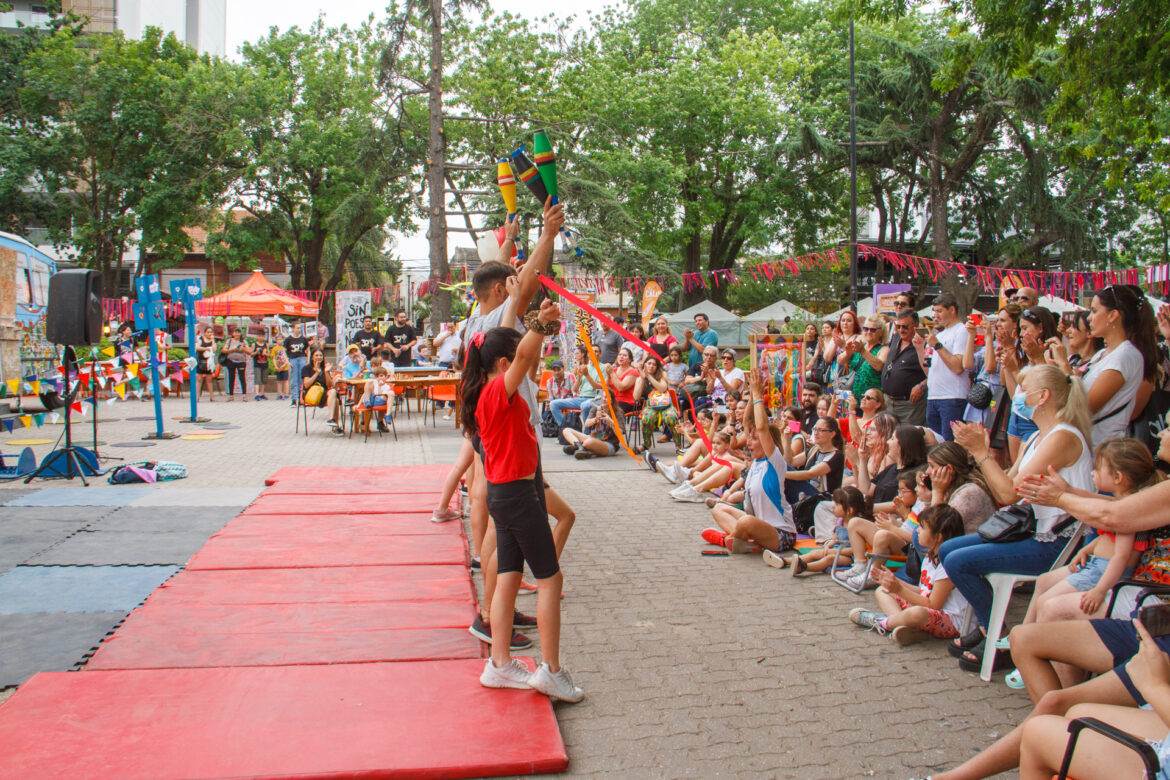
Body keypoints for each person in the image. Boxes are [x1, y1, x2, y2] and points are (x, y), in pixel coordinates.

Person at [460, 301, 584, 703]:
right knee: (550, 579)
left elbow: (528, 354)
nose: (525, 369)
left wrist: (537, 330)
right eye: (515, 363)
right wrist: (540, 323)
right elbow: (528, 353)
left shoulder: (487, 392)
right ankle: (551, 670)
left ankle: (499, 664)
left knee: (509, 578)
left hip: (507, 494)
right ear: (501, 364)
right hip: (516, 495)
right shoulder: (496, 390)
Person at [945, 364, 1095, 672]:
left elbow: (1010, 493)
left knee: (959, 561)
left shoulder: (1063, 437)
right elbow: (1003, 491)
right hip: (1034, 532)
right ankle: (991, 627)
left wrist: (981, 453)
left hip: (1060, 543)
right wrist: (980, 452)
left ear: (1043, 396)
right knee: (948, 550)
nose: (1018, 396)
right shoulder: (1039, 437)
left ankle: (997, 635)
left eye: (1024, 389)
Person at [700, 368, 796, 555]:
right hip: (757, 526)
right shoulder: (755, 465)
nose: (748, 443)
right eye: (749, 438)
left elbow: (761, 427)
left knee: (745, 522)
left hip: (780, 533)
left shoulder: (774, 461)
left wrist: (759, 395)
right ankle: (745, 543)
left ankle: (726, 540)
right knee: (719, 508)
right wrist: (752, 394)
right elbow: (747, 423)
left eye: (754, 439)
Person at [848, 504, 969, 645]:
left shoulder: (947, 564)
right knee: (882, 591)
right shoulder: (930, 557)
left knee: (917, 613)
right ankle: (902, 626)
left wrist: (899, 589)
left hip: (950, 620)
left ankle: (881, 622)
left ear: (938, 537)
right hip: (930, 612)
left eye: (922, 527)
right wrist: (894, 583)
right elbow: (924, 591)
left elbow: (933, 605)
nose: (917, 530)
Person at [1054, 284, 1158, 446]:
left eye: (1094, 311)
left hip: (1103, 449)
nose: (1089, 318)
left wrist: (1065, 368)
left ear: (1113, 315)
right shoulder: (1104, 354)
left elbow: (1084, 408)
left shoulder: (1124, 356)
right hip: (1091, 444)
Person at [784, 486, 867, 575]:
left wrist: (836, 551)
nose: (833, 507)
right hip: (837, 550)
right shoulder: (841, 521)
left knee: (829, 559)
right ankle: (787, 561)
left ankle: (804, 566)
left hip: (851, 557)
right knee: (815, 553)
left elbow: (858, 549)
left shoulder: (857, 526)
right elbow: (836, 537)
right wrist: (829, 544)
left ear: (849, 510)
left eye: (837, 505)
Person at [924, 293, 971, 441]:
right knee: (935, 443)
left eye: (940, 311)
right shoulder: (941, 334)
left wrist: (937, 345)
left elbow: (958, 366)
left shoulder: (961, 330)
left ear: (952, 310)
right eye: (934, 311)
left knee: (949, 446)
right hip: (934, 396)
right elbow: (928, 368)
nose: (935, 315)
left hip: (952, 397)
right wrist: (921, 349)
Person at [881, 309, 928, 426]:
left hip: (910, 405)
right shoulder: (896, 337)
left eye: (905, 327)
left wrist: (923, 385)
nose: (901, 330)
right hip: (889, 402)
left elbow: (937, 372)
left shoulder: (924, 343)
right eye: (898, 326)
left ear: (916, 325)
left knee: (908, 439)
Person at [549, 345, 603, 426]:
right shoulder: (584, 367)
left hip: (595, 398)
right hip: (581, 398)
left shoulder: (603, 367)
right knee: (553, 404)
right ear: (588, 354)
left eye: (596, 351)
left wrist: (587, 375)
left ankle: (586, 434)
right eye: (591, 351)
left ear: (600, 354)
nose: (593, 353)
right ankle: (566, 427)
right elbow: (574, 389)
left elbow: (599, 387)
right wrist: (579, 378)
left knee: (584, 405)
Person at [637, 355, 680, 449]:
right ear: (644, 365)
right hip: (651, 406)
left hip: (666, 405)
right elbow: (636, 397)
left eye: (654, 364)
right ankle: (646, 444)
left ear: (657, 367)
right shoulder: (639, 378)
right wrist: (642, 379)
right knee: (647, 418)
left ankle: (678, 444)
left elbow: (662, 388)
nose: (651, 366)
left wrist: (649, 377)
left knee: (671, 417)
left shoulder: (662, 375)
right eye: (649, 363)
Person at [843, 315, 889, 399]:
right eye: (866, 329)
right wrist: (847, 352)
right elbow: (840, 361)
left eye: (873, 330)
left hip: (871, 400)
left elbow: (879, 366)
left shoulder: (884, 349)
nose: (869, 332)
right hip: (851, 398)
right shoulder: (858, 344)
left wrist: (863, 351)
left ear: (881, 332)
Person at [301, 347, 343, 435]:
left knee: (334, 394)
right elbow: (306, 384)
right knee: (334, 397)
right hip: (311, 394)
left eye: (320, 355)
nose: (319, 357)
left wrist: (326, 372)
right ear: (312, 357)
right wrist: (316, 373)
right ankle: (335, 425)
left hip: (323, 394)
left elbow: (329, 384)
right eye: (316, 355)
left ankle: (332, 420)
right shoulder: (307, 368)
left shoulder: (325, 367)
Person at [605, 347, 640, 415]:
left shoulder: (633, 372)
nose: (621, 357)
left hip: (627, 402)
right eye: (620, 354)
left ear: (630, 360)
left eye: (624, 355)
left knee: (612, 409)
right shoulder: (614, 370)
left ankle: (614, 425)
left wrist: (611, 373)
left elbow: (621, 388)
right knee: (594, 408)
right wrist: (608, 375)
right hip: (613, 400)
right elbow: (605, 387)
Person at [222, 326, 252, 402]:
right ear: (233, 333)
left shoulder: (243, 342)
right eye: (235, 332)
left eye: (238, 332)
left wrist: (243, 348)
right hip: (231, 361)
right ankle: (231, 395)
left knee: (242, 378)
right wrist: (233, 349)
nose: (237, 334)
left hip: (241, 361)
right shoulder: (229, 341)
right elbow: (224, 350)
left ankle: (244, 395)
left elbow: (249, 352)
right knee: (231, 377)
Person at [284, 323, 311, 407]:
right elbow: (284, 351)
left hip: (302, 358)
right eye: (297, 328)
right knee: (293, 380)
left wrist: (307, 360)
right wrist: (287, 361)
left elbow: (308, 349)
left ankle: (301, 399)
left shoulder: (303, 339)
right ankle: (294, 399)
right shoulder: (288, 339)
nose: (299, 330)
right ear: (293, 329)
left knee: (301, 380)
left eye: (300, 328)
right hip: (293, 359)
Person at [194, 324, 217, 402]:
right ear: (204, 333)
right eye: (208, 332)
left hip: (208, 363)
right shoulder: (201, 339)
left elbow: (214, 349)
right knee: (199, 379)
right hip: (200, 361)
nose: (209, 334)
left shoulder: (213, 340)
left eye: (211, 332)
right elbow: (197, 347)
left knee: (209, 380)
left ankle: (212, 397)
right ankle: (196, 397)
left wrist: (213, 340)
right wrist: (206, 348)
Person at [252, 330, 270, 400]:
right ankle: (256, 394)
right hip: (257, 364)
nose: (260, 338)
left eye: (262, 336)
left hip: (264, 363)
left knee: (263, 379)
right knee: (257, 379)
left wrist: (265, 354)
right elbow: (251, 354)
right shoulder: (254, 345)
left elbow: (269, 355)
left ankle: (262, 393)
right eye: (259, 336)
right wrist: (256, 352)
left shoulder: (266, 345)